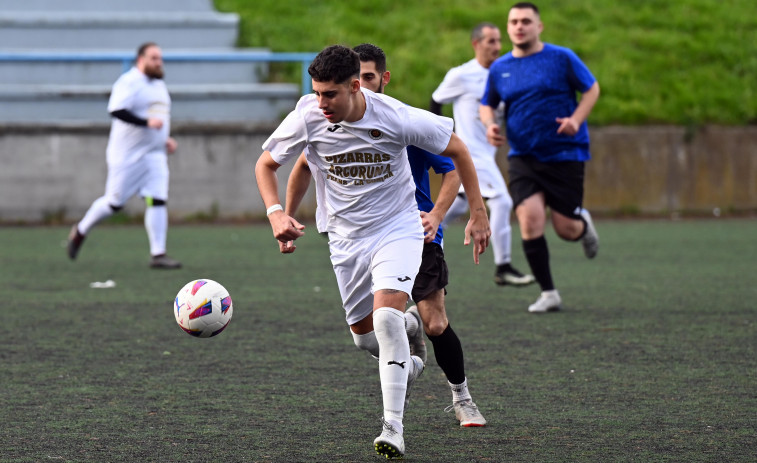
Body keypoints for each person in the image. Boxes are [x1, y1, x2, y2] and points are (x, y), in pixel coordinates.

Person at [255, 45, 490, 459]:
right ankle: (411, 357)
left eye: (330, 94)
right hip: (345, 240)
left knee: (386, 319)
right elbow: (267, 165)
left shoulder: (395, 116)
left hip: (398, 229)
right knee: (366, 340)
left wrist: (478, 213)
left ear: (353, 86)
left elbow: (458, 152)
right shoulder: (308, 115)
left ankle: (393, 428)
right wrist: (279, 215)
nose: (321, 102)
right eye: (317, 93)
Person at [479, 2, 600, 313]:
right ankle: (549, 293)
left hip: (564, 154)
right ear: (508, 28)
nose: (519, 26)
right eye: (514, 21)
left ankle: (582, 225)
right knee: (529, 221)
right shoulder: (500, 67)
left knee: (566, 229)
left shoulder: (561, 58)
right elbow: (486, 104)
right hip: (523, 157)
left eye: (526, 21)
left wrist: (575, 119)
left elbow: (592, 89)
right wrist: (490, 124)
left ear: (539, 26)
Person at [432, 22, 534, 289]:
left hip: (488, 153)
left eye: (499, 41)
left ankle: (421, 235)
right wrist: (442, 142)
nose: (497, 47)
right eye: (490, 41)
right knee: (501, 201)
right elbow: (436, 100)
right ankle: (503, 266)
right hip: (471, 154)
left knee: (456, 206)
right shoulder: (461, 74)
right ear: (476, 44)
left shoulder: (504, 74)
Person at [67, 42, 181, 269]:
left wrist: (164, 139)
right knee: (114, 203)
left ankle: (158, 254)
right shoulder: (130, 82)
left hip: (154, 155)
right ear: (140, 59)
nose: (159, 63)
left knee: (158, 200)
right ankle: (80, 231)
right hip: (128, 156)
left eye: (160, 58)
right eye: (153, 58)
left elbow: (159, 117)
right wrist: (146, 123)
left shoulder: (158, 85)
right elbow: (116, 109)